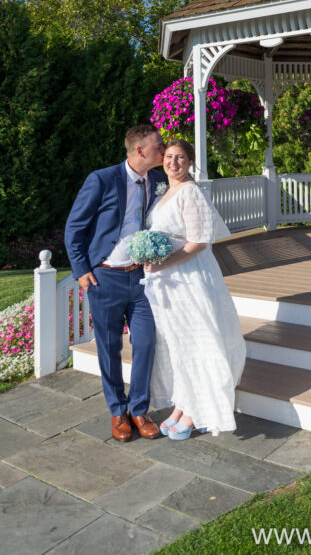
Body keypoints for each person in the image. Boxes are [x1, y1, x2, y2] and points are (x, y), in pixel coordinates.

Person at [64, 125, 165, 441]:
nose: (163, 150)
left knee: (146, 343)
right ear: (140, 151)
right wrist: (82, 271)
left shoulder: (159, 181)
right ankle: (116, 411)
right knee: (108, 348)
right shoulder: (102, 180)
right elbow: (74, 228)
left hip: (142, 278)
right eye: (158, 146)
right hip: (105, 278)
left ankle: (138, 409)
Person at [142, 138, 246, 440]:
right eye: (169, 157)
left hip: (189, 277)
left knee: (197, 340)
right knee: (178, 343)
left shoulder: (190, 192)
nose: (173, 163)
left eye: (181, 158)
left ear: (190, 162)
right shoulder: (165, 190)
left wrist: (163, 263)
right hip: (169, 282)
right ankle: (184, 403)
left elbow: (199, 242)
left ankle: (197, 410)